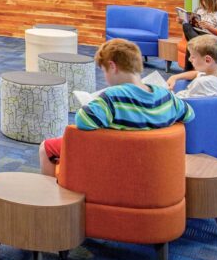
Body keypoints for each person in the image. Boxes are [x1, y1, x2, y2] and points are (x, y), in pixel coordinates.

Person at [39, 38, 194, 178]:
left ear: (112, 66)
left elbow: (82, 121)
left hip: (114, 165)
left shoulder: (112, 99)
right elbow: (189, 114)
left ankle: (53, 198)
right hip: (153, 171)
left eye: (105, 71)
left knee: (45, 148)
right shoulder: (166, 96)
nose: (106, 77)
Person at [178, 0, 217, 69]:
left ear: (213, 0)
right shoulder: (199, 9)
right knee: (186, 25)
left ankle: (187, 72)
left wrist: (208, 27)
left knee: (191, 45)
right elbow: (191, 22)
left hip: (209, 37)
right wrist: (183, 20)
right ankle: (198, 42)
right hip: (195, 32)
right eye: (202, 0)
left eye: (205, 0)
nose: (203, 2)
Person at [167, 34, 217, 98]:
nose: (189, 59)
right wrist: (174, 77)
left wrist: (168, 94)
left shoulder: (201, 83)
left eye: (193, 57)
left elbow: (184, 103)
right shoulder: (213, 76)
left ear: (207, 60)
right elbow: (196, 73)